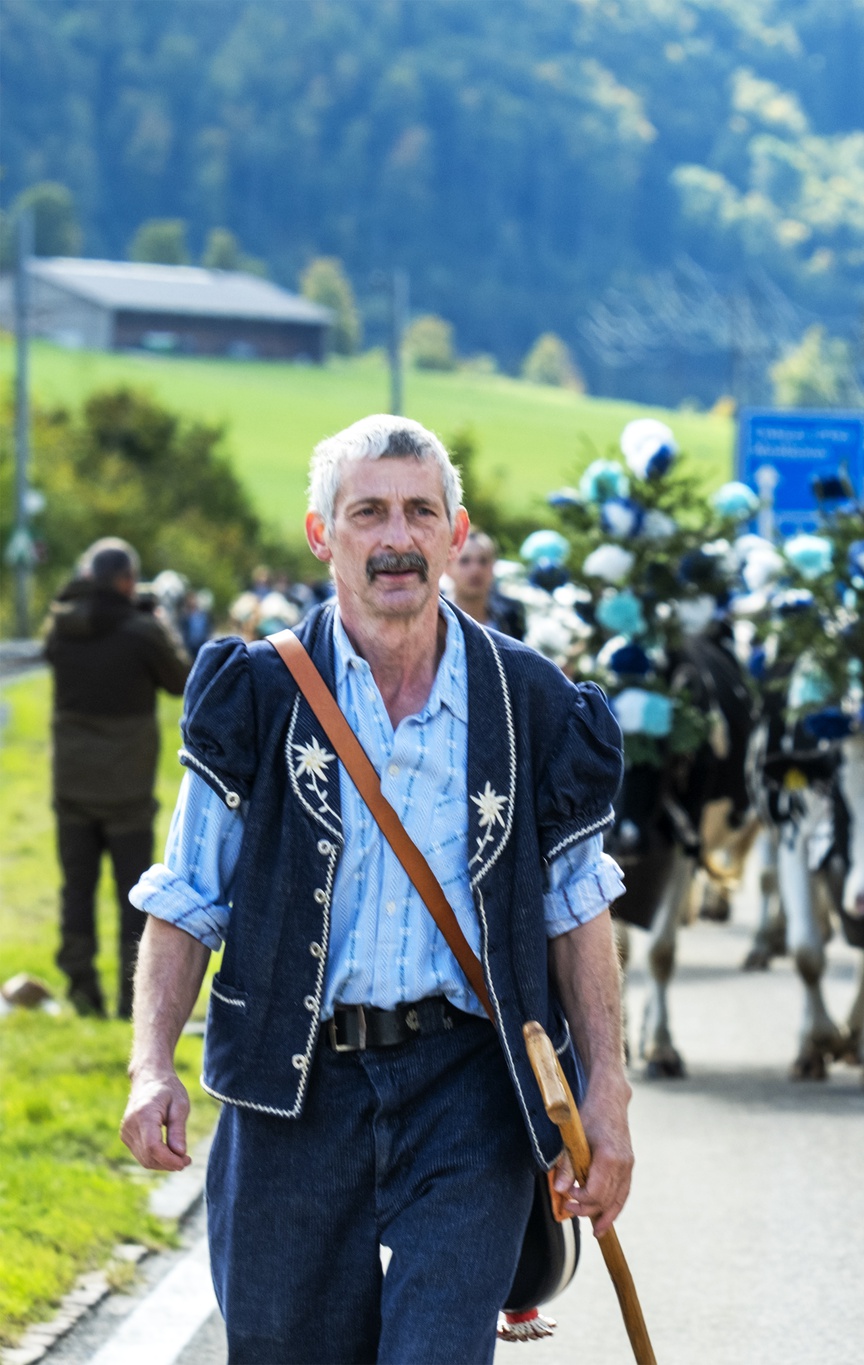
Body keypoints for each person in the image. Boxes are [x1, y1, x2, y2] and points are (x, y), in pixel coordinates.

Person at [121, 415, 635, 1363]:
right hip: (293, 1089)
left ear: (454, 529)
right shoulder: (258, 693)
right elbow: (187, 894)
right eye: (368, 512)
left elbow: (576, 906)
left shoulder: (534, 702)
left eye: (418, 512)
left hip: (467, 1089)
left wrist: (607, 1089)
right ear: (323, 534)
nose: (395, 537)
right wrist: (152, 1063)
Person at [42, 538, 191, 1017]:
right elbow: (181, 681)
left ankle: (83, 992)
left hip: (72, 786)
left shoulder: (61, 628)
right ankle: (134, 999)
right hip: (126, 790)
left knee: (76, 890)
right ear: (128, 580)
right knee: (135, 894)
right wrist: (161, 624)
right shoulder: (143, 632)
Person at [449, 529, 528, 639]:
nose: (476, 570)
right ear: (447, 568)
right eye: (465, 561)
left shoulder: (511, 616)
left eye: (483, 561)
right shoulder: (434, 616)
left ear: (493, 566)